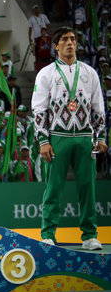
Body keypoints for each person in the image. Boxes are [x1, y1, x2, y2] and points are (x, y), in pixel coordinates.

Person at [31, 26, 107, 250]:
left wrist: (100, 136)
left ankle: (90, 236)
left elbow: (98, 108)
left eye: (73, 39)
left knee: (88, 188)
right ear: (56, 46)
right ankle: (48, 235)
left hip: (85, 137)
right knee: (54, 187)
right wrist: (43, 141)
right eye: (64, 40)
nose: (70, 43)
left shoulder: (89, 72)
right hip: (58, 136)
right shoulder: (46, 73)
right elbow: (39, 110)